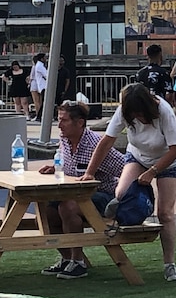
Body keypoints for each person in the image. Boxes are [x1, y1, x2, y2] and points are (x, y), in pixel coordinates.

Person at [81, 83, 176, 282]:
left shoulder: (163, 111)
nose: (137, 118)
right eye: (133, 114)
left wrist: (153, 171)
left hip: (169, 160)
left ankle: (169, 264)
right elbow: (106, 141)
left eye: (140, 113)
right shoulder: (124, 110)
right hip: (138, 155)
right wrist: (89, 172)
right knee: (121, 194)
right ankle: (137, 209)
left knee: (165, 213)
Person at [38, 101, 126, 280]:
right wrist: (56, 168)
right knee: (45, 210)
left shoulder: (96, 144)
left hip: (104, 195)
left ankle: (78, 262)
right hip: (74, 193)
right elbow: (68, 163)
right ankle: (67, 257)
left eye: (64, 120)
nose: (59, 125)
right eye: (58, 119)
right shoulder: (64, 139)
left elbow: (125, 168)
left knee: (67, 207)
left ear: (80, 123)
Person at [29, 52, 48, 121]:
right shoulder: (39, 66)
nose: (46, 59)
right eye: (45, 58)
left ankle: (40, 116)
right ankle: (39, 116)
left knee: (41, 102)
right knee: (42, 102)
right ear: (41, 59)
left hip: (41, 85)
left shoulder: (40, 65)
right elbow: (46, 74)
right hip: (43, 86)